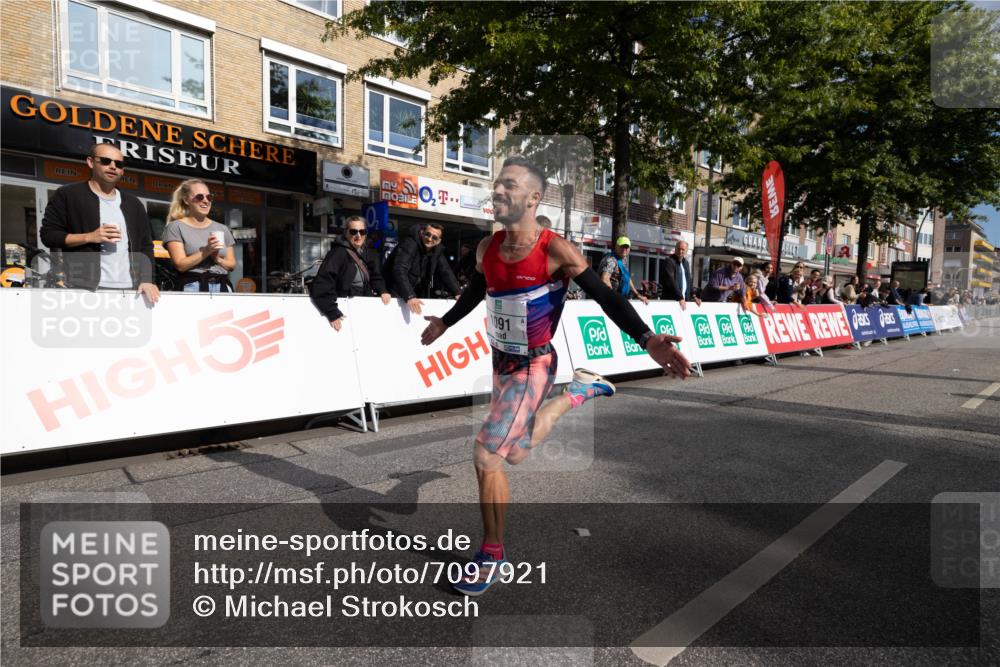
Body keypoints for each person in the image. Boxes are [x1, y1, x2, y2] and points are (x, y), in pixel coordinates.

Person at [419, 156, 691, 596]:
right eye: (497, 185)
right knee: (517, 453)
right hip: (502, 362)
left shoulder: (555, 250)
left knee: (487, 454)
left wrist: (646, 339)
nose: (499, 192)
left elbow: (606, 297)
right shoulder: (488, 249)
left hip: (536, 365)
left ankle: (491, 554)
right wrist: (445, 323)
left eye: (509, 185)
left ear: (533, 198)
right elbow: (476, 289)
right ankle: (580, 393)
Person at [39, 143, 159, 303]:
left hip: (131, 290)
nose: (112, 166)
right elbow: (49, 235)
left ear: (123, 170)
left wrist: (147, 279)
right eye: (105, 161)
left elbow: (145, 246)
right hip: (84, 289)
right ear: (90, 162)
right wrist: (89, 237)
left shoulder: (134, 203)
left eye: (119, 164)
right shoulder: (68, 195)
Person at [308, 215, 391, 331]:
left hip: (364, 305)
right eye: (353, 232)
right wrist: (332, 312)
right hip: (345, 307)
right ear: (346, 233)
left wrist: (382, 290)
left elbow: (375, 276)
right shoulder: (338, 253)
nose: (358, 236)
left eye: (362, 231)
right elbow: (323, 283)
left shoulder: (368, 252)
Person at [162, 179, 235, 293]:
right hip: (193, 286)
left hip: (223, 286)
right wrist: (206, 251)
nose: (206, 201)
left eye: (209, 197)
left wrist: (217, 259)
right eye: (199, 197)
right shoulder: (175, 227)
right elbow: (180, 265)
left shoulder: (222, 229)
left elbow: (232, 265)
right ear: (186, 200)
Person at [383, 222, 461, 315]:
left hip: (413, 291)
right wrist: (410, 296)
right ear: (422, 233)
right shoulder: (409, 243)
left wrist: (457, 292)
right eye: (428, 234)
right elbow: (399, 270)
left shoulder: (436, 249)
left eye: (434, 237)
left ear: (438, 241)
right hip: (393, 290)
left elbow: (445, 271)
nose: (429, 239)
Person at [599, 237, 649, 304]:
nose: (624, 249)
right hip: (608, 300)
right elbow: (604, 278)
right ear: (616, 247)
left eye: (626, 247)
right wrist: (613, 297)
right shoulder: (611, 260)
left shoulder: (623, 259)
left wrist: (638, 295)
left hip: (620, 298)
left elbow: (627, 278)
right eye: (622, 247)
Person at [659, 240, 701, 310]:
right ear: (675, 249)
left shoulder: (686, 263)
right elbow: (671, 281)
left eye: (683, 249)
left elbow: (688, 282)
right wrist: (680, 297)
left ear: (686, 251)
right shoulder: (669, 261)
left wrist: (694, 296)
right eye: (678, 249)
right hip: (672, 301)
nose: (680, 251)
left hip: (683, 301)